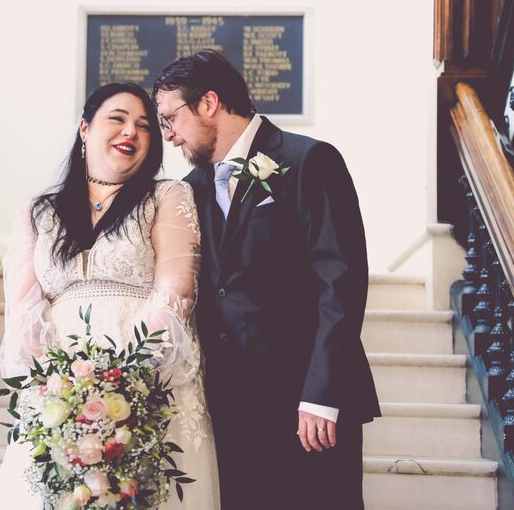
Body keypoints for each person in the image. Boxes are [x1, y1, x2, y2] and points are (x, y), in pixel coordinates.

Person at [153, 50, 380, 509]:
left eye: (170, 118)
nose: (169, 135)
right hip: (231, 406)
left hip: (307, 403)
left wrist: (321, 394)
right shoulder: (190, 189)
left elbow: (341, 282)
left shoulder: (309, 160)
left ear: (210, 103)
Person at [0, 82, 220, 509]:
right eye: (118, 119)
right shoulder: (37, 213)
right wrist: (61, 390)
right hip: (58, 391)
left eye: (145, 125)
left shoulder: (166, 196)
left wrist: (126, 383)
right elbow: (22, 309)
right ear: (84, 128)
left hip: (149, 382)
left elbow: (176, 289)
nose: (130, 131)